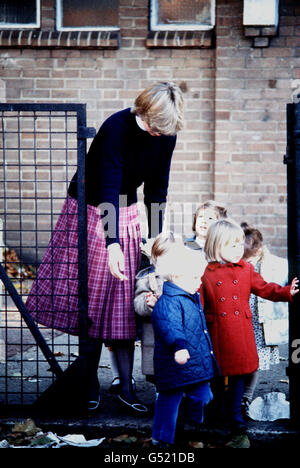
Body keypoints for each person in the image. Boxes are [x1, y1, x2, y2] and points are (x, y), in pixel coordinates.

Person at [25, 81, 184, 412]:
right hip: (89, 206)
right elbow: (108, 188)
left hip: (123, 207)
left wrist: (155, 239)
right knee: (93, 297)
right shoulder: (117, 128)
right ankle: (88, 382)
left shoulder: (166, 133)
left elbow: (157, 189)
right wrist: (113, 243)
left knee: (123, 298)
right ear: (145, 112)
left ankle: (126, 386)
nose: (159, 135)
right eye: (156, 128)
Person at [200, 219, 298, 437]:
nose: (238, 250)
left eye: (239, 244)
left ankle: (235, 416)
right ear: (216, 245)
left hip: (240, 332)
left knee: (238, 376)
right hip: (217, 331)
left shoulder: (246, 269)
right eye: (231, 245)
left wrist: (286, 292)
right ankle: (215, 413)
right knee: (216, 376)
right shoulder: (206, 273)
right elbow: (200, 304)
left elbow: (265, 289)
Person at [150, 245, 217, 447]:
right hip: (174, 362)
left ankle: (190, 421)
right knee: (168, 402)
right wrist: (179, 347)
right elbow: (170, 326)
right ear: (178, 276)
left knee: (204, 396)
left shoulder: (189, 297)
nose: (200, 282)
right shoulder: (169, 302)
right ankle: (161, 438)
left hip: (195, 362)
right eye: (195, 277)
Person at [240, 222, 289, 417]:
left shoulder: (273, 265)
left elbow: (278, 283)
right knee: (239, 359)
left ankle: (246, 396)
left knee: (255, 361)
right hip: (243, 319)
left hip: (260, 323)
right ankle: (237, 395)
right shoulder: (236, 263)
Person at [134, 231, 176, 382]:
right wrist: (148, 303)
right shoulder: (148, 278)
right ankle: (161, 399)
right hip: (155, 334)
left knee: (179, 369)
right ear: (154, 258)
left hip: (177, 334)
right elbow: (138, 303)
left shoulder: (182, 277)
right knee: (158, 372)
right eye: (161, 257)